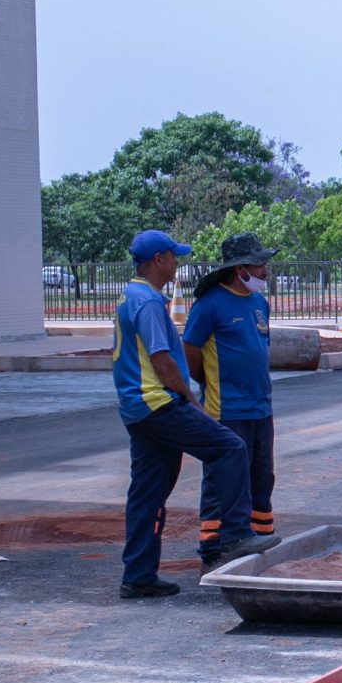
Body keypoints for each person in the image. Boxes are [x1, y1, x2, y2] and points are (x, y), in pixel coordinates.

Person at [113, 230, 250, 598]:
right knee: (230, 449)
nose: (177, 263)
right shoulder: (149, 303)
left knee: (147, 493)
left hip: (137, 409)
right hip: (159, 404)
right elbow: (160, 359)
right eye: (174, 257)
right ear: (158, 260)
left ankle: (138, 575)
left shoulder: (131, 295)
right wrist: (188, 396)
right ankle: (236, 535)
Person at [182, 233, 279, 559]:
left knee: (261, 478)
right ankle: (213, 550)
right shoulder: (209, 305)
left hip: (260, 408)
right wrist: (209, 382)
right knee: (223, 479)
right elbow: (190, 353)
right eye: (259, 264)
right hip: (226, 410)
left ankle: (259, 546)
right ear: (240, 269)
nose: (265, 270)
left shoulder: (259, 302)